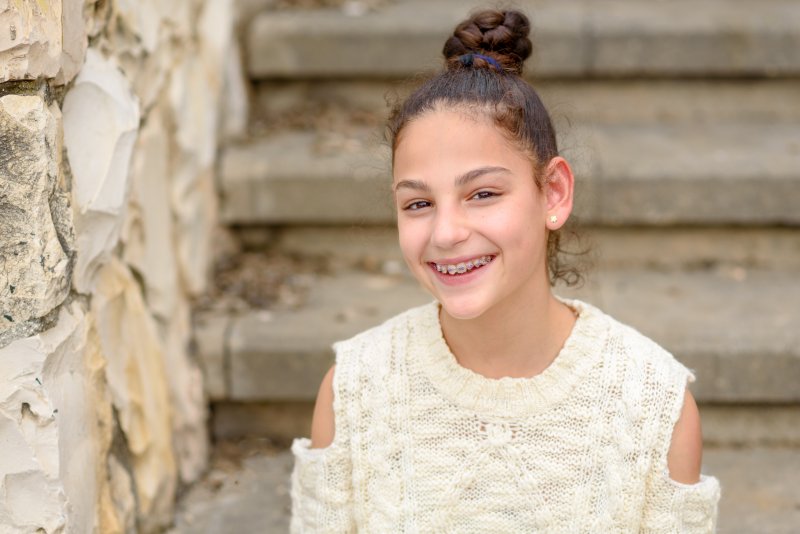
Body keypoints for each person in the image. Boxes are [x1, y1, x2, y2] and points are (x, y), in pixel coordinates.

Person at [290, 8, 720, 533]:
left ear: (553, 193)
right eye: (418, 204)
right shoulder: (353, 390)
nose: (445, 232)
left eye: (483, 194)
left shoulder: (655, 404)